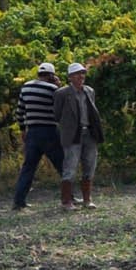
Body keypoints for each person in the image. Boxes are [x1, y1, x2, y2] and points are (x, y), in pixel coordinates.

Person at [13, 60, 63, 210]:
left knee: (28, 168)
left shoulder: (26, 87)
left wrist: (23, 130)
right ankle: (69, 196)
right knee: (62, 165)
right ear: (51, 75)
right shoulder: (53, 89)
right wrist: (59, 86)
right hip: (49, 131)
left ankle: (19, 201)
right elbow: (60, 109)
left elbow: (19, 112)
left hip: (32, 132)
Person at [55, 61, 105, 211]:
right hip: (73, 134)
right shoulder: (62, 93)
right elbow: (57, 114)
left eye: (82, 73)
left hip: (89, 132)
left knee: (90, 165)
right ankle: (66, 201)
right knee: (70, 167)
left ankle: (87, 199)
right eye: (77, 74)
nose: (80, 76)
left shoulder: (89, 91)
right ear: (70, 77)